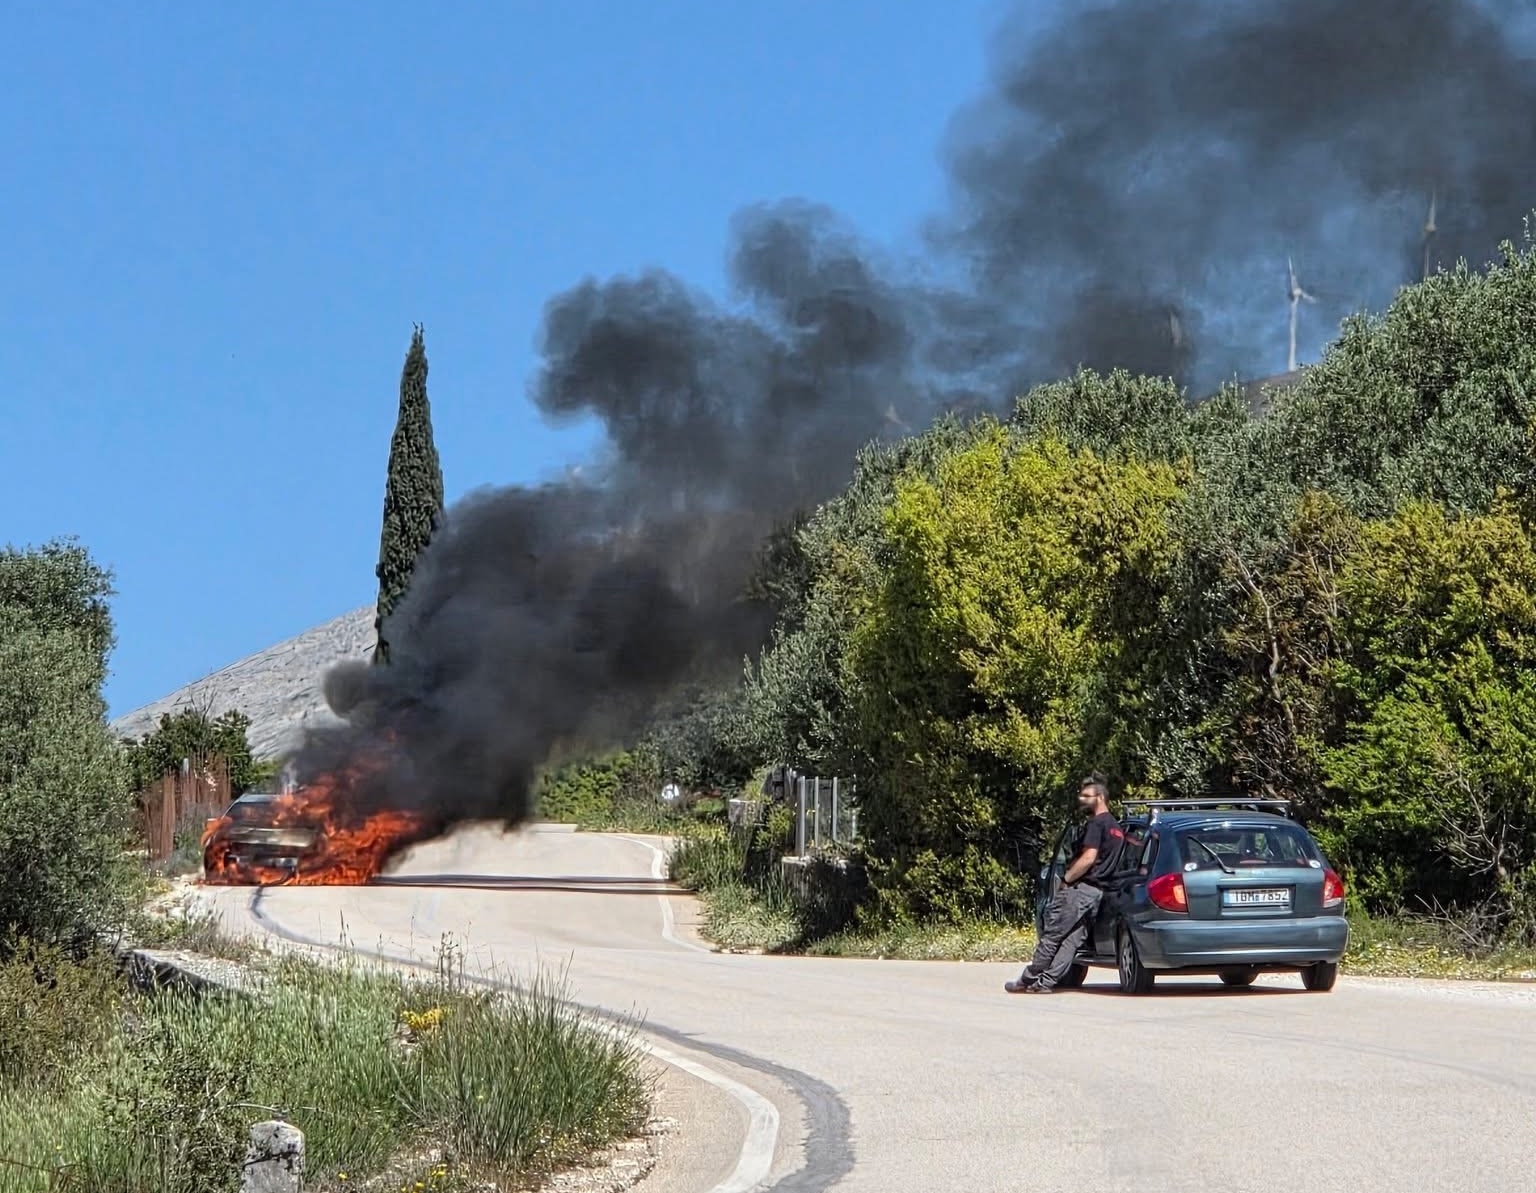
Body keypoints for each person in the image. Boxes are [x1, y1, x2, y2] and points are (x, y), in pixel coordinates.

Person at [1006, 775, 1126, 994]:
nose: (1082, 799)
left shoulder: (1097, 824)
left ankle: (1027, 979)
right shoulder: (1116, 828)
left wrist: (1067, 878)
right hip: (1099, 895)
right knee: (1072, 941)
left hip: (1082, 890)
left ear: (1100, 797)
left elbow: (1089, 857)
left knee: (1053, 935)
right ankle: (1046, 983)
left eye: (1087, 796)